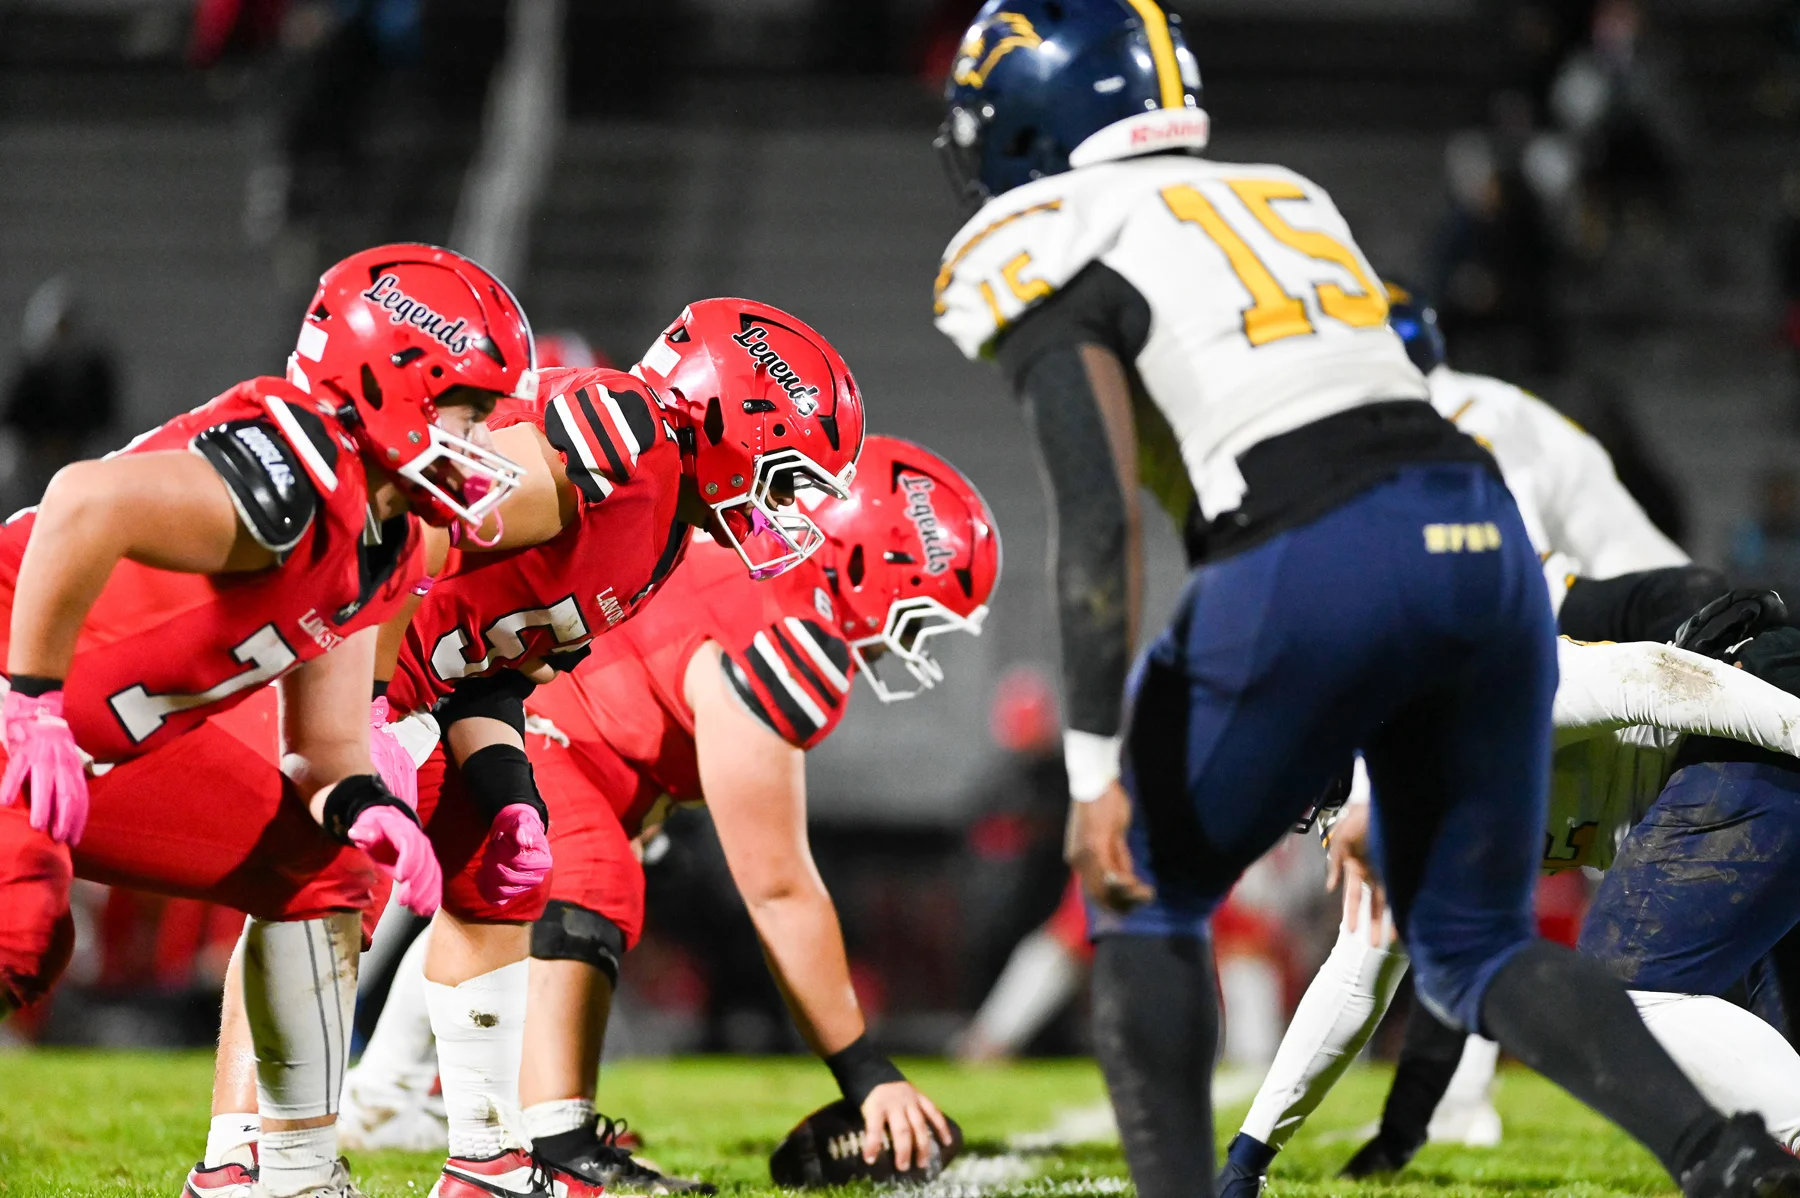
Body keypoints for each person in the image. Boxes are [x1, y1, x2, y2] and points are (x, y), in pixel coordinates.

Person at [930, 5, 1799, 1195]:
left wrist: (1089, 774)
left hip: (1315, 537)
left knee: (1141, 884)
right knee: (1471, 950)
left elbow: (1096, 517)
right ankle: (1724, 1155)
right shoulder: (1286, 193)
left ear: (1034, 111)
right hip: (1480, 541)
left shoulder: (1042, 231)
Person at [185, 299, 870, 1198]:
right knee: (323, 882)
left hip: (423, 685)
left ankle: (489, 1164)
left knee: (498, 881)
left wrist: (504, 782)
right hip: (333, 653)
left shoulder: (661, 525)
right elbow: (407, 525)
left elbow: (499, 664)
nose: (783, 505)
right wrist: (365, 719)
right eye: (784, 474)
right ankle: (252, 1161)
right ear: (733, 422)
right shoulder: (617, 443)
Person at [0, 243, 535, 1198]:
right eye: (474, 411)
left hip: (86, 745)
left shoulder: (389, 536)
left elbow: (322, 750)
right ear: (394, 385)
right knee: (20, 928)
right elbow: (82, 501)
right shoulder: (293, 462)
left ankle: (282, 1176)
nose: (490, 445)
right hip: (24, 706)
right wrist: (29, 696)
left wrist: (363, 806)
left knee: (325, 868)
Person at [332, 435, 996, 1194]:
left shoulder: (758, 566)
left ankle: (387, 1094)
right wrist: (864, 1068)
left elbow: (658, 680)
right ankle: (555, 1140)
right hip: (514, 711)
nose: (914, 636)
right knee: (585, 872)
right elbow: (778, 888)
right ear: (863, 562)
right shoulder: (787, 636)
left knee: (516, 891)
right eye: (919, 609)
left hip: (536, 708)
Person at [1213, 281, 1698, 1189]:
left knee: (1655, 971)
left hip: (1637, 659)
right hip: (1603, 651)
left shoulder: (1451, 427)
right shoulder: (1440, 428)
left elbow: (1484, 591)